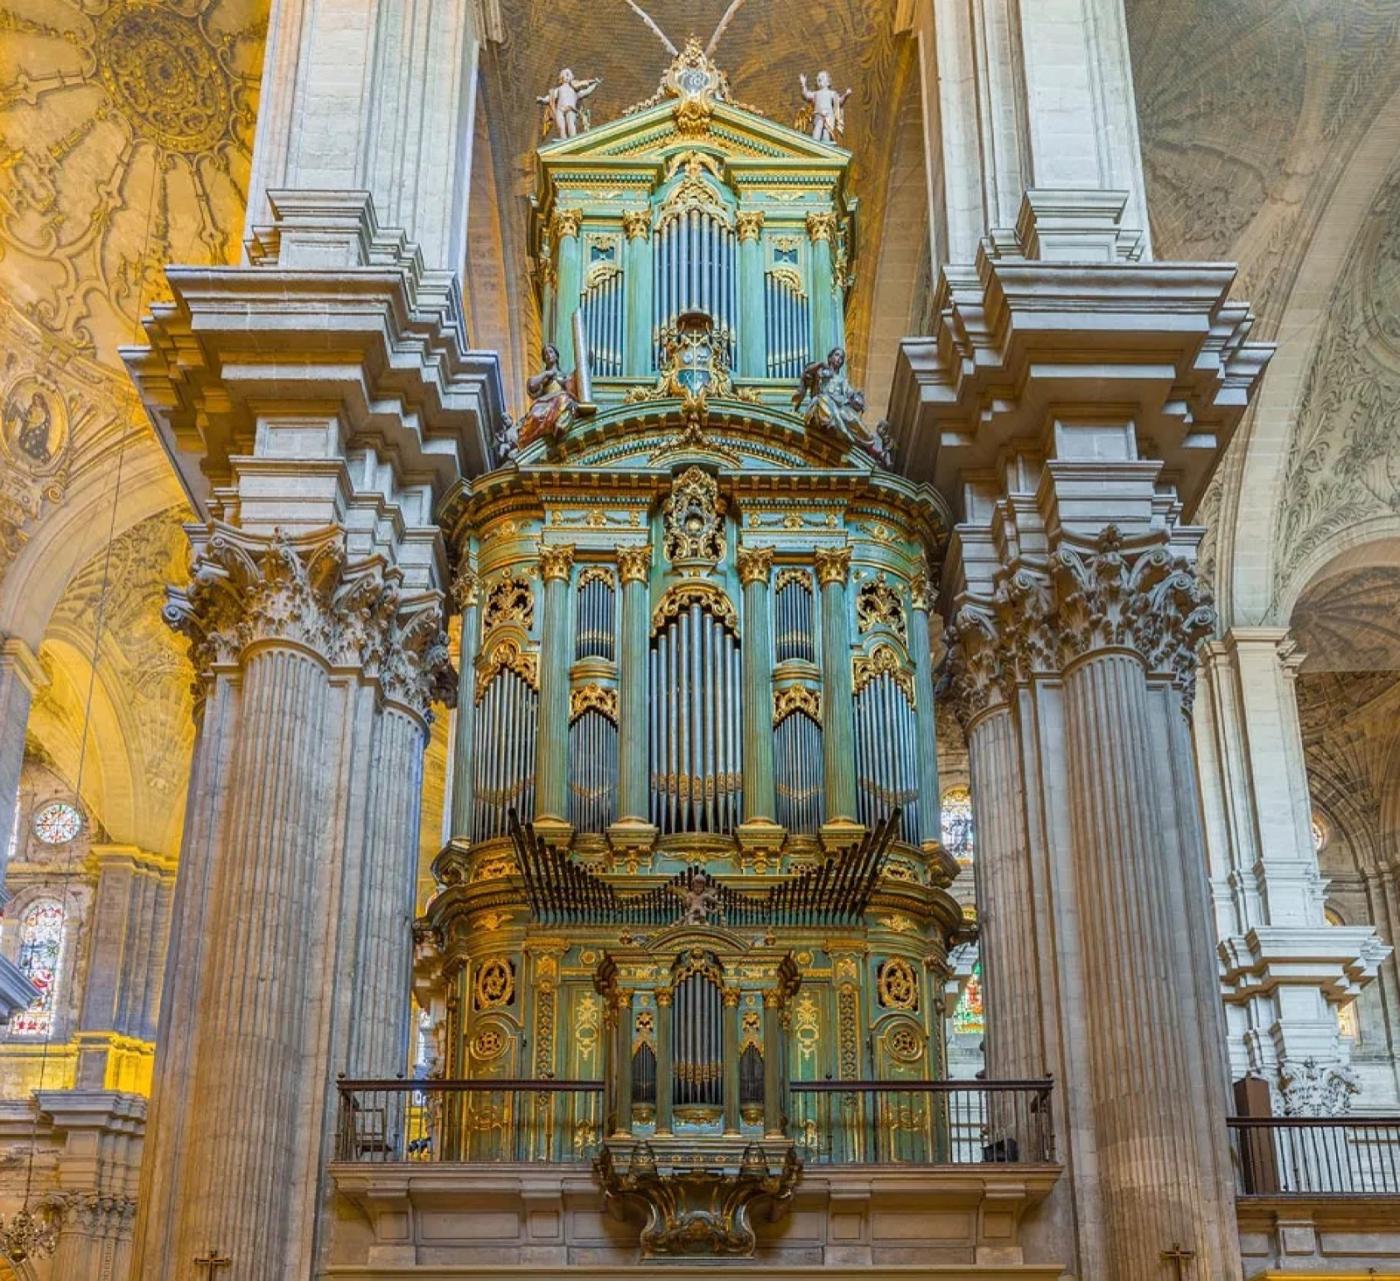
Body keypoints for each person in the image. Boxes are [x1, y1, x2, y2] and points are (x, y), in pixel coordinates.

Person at [518, 344, 578, 449]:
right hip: (545, 404)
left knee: (565, 399)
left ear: (556, 356)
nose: (548, 355)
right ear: (544, 360)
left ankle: (560, 427)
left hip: (559, 402)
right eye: (545, 354)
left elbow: (571, 388)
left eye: (550, 352)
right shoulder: (544, 376)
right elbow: (531, 385)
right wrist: (546, 374)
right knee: (536, 415)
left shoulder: (563, 375)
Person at [538, 68, 601, 141]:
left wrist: (595, 84)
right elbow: (550, 98)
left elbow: (586, 92)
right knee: (561, 126)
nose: (567, 76)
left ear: (571, 77)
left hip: (570, 109)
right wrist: (542, 99)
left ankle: (573, 138)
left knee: (570, 123)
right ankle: (563, 138)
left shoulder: (575, 91)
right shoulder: (559, 89)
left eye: (568, 74)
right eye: (565, 74)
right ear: (561, 77)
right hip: (560, 109)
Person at [798, 71, 852, 143]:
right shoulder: (816, 94)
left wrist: (846, 95)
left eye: (822, 77)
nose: (820, 79)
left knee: (826, 135)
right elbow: (806, 95)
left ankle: (825, 149)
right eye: (818, 79)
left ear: (828, 82)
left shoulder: (832, 93)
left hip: (828, 116)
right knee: (817, 132)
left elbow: (839, 102)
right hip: (818, 115)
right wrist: (803, 84)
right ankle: (814, 145)